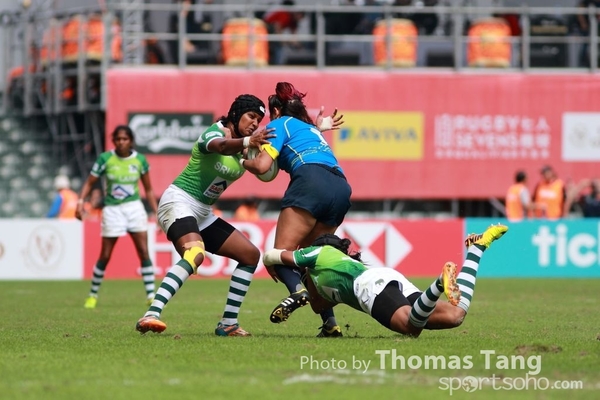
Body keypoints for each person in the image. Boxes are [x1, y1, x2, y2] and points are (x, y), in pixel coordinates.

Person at [135, 94, 275, 337]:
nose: (255, 123)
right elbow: (220, 146)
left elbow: (264, 169)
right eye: (251, 116)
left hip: (203, 212)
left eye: (258, 120)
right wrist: (247, 142)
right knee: (195, 254)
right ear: (236, 113)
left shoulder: (244, 149)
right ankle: (151, 314)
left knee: (250, 255)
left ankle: (228, 324)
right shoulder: (214, 132)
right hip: (178, 201)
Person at [263, 224, 508, 337]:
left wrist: (270, 262)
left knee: (411, 328)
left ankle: (439, 284)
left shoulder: (318, 252)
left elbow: (276, 255)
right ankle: (477, 248)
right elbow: (319, 306)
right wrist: (306, 288)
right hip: (386, 277)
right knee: (455, 315)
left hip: (368, 288)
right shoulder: (326, 275)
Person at [240, 81, 348, 337]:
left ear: (276, 111)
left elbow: (262, 166)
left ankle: (297, 292)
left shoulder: (279, 123)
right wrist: (319, 127)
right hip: (341, 187)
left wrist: (242, 159)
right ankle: (330, 324)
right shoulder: (310, 130)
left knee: (277, 256)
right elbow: (305, 137)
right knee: (309, 260)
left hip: (311, 181)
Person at [76, 125, 159, 309]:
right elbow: (90, 182)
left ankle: (150, 295)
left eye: (125, 139)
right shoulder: (105, 159)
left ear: (131, 141)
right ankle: (92, 295)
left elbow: (148, 189)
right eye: (118, 139)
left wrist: (157, 212)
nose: (121, 142)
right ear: (113, 140)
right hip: (112, 210)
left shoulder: (139, 160)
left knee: (143, 251)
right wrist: (80, 202)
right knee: (105, 255)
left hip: (134, 208)